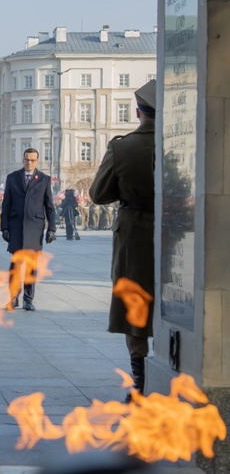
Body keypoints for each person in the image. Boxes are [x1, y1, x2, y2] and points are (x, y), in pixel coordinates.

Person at [89, 79, 156, 403]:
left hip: (135, 235)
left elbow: (99, 194)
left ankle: (141, 383)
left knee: (135, 306)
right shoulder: (184, 143)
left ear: (138, 111)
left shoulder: (122, 147)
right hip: (179, 232)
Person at [0, 147, 56, 311]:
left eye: (32, 160)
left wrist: (51, 228)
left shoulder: (44, 179)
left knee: (31, 267)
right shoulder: (12, 178)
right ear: (22, 159)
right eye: (26, 159)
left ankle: (28, 299)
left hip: (34, 228)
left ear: (37, 161)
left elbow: (49, 206)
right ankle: (13, 297)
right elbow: (6, 204)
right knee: (15, 266)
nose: (29, 163)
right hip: (16, 227)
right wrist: (4, 227)